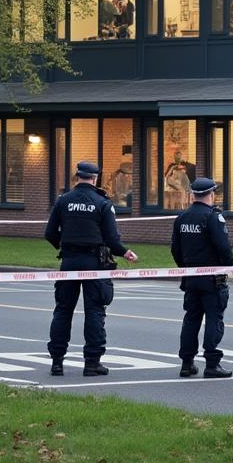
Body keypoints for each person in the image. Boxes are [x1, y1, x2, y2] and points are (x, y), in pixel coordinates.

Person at [45, 161, 138, 376]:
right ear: (95, 178)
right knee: (95, 312)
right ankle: (92, 362)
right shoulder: (102, 203)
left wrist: (65, 244)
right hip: (94, 263)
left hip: (68, 262)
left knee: (63, 310)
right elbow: (112, 239)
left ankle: (57, 362)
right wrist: (125, 252)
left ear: (77, 176)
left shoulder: (63, 201)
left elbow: (50, 233)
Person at [171, 177, 233, 379]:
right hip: (211, 279)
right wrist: (227, 265)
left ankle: (186, 363)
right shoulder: (213, 218)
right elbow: (224, 248)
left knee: (191, 319)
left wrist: (185, 268)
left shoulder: (182, 218)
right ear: (211, 194)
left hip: (190, 277)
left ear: (193, 195)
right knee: (214, 319)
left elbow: (175, 250)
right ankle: (212, 363)